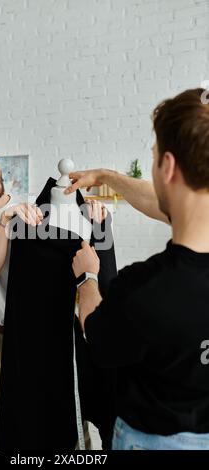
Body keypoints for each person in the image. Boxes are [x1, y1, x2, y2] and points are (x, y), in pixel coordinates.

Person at [70, 88, 209, 450]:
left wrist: (87, 278)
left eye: (153, 157)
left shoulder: (146, 289)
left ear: (167, 166)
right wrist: (105, 175)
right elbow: (167, 204)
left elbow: (97, 336)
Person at [0, 135, 108, 397]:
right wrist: (4, 223)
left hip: (57, 332)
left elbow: (77, 252)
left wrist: (90, 213)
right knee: (21, 429)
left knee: (72, 425)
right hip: (10, 339)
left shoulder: (38, 205)